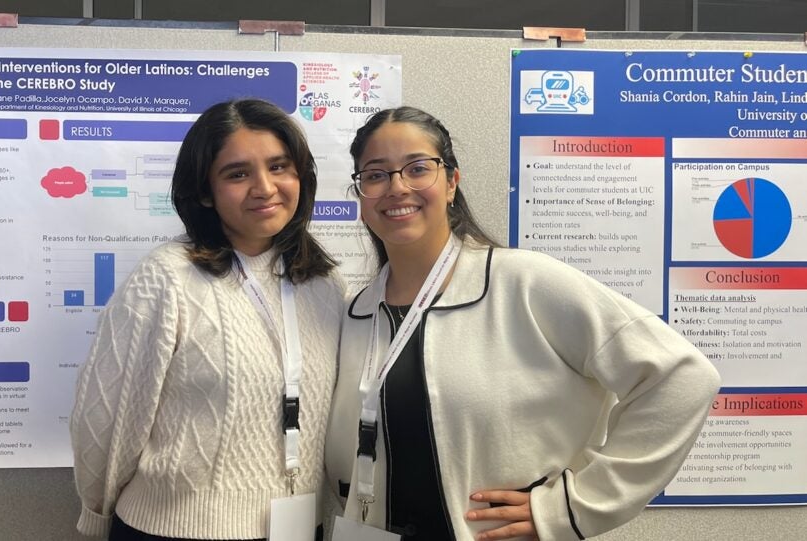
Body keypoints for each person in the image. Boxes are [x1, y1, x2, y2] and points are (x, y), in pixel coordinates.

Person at [325, 106, 720, 541]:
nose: (397, 188)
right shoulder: (355, 313)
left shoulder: (524, 284)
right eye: (376, 175)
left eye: (418, 168)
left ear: (452, 182)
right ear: (361, 195)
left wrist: (575, 508)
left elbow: (682, 377)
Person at [70, 98, 346, 541]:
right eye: (237, 173)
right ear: (204, 191)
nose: (264, 187)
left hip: (294, 528)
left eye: (279, 167)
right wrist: (97, 512)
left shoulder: (325, 286)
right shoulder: (166, 278)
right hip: (173, 530)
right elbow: (108, 417)